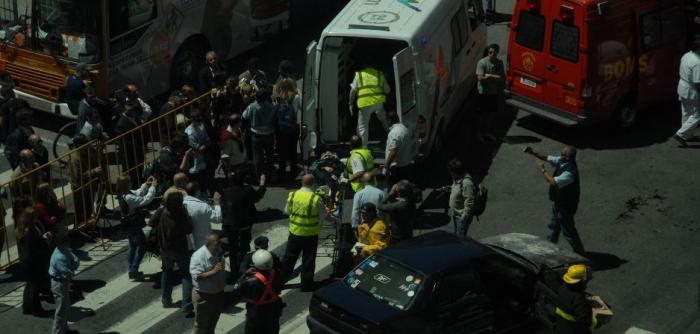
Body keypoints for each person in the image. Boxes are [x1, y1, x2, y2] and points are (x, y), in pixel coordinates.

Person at [525, 145, 585, 255]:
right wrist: (532, 152)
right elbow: (547, 157)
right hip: (559, 203)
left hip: (566, 207)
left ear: (568, 157)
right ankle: (549, 251)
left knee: (569, 232)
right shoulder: (563, 161)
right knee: (554, 227)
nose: (560, 156)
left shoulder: (570, 172)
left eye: (563, 154)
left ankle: (580, 254)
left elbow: (553, 182)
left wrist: (543, 170)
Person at [280, 174, 325, 292]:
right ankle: (306, 285)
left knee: (289, 259)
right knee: (308, 260)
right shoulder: (316, 198)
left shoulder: (293, 195)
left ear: (302, 183)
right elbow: (323, 216)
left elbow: (286, 211)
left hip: (295, 233)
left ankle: (280, 282)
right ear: (313, 183)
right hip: (310, 235)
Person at [220, 173, 266, 281]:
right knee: (244, 246)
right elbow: (258, 196)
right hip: (245, 223)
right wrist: (262, 183)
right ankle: (243, 269)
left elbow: (223, 207)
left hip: (231, 225)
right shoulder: (248, 189)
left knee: (233, 249)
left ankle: (234, 273)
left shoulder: (226, 191)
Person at [156, 191, 194, 316]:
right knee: (186, 274)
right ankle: (186, 304)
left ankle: (166, 300)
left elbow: (151, 222)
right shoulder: (181, 214)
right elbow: (189, 229)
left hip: (165, 248)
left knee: (167, 271)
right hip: (180, 249)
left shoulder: (163, 211)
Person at [116, 174, 157, 280]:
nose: (131, 183)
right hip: (133, 225)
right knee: (143, 246)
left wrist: (146, 185)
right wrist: (153, 187)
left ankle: (131, 269)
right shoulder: (128, 197)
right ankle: (134, 270)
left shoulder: (123, 194)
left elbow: (137, 193)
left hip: (128, 225)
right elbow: (145, 200)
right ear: (127, 184)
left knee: (133, 246)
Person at [235, 249, 284, 334]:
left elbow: (239, 288)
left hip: (256, 312)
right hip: (273, 309)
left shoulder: (250, 281)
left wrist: (246, 274)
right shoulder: (277, 275)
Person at [17, 207, 53, 317]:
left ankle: (27, 307)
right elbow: (35, 247)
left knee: (30, 285)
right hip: (33, 262)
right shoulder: (30, 232)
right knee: (35, 287)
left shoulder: (23, 228)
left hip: (26, 261)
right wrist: (45, 240)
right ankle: (37, 310)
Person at [190, 232, 228, 334]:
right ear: (210, 244)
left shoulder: (218, 252)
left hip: (218, 293)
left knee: (212, 323)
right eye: (217, 244)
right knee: (201, 325)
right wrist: (213, 271)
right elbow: (197, 276)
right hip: (204, 295)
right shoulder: (198, 256)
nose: (219, 247)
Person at [348, 60, 390, 145]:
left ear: (363, 66)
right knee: (384, 120)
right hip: (378, 103)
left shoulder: (359, 75)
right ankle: (391, 134)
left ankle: (363, 148)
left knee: (363, 128)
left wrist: (350, 104)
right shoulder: (379, 74)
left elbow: (353, 91)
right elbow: (387, 90)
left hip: (365, 104)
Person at [48, 231, 80, 334]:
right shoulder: (59, 257)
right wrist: (73, 269)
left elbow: (75, 259)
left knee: (65, 307)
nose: (69, 243)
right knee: (61, 310)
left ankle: (64, 330)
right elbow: (67, 273)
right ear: (61, 243)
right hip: (59, 283)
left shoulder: (64, 250)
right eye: (67, 241)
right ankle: (56, 332)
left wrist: (73, 266)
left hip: (63, 281)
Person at [243, 86, 276, 178]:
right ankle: (270, 174)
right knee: (270, 155)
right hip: (269, 134)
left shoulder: (252, 106)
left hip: (256, 134)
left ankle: (259, 176)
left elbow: (244, 116)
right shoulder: (271, 106)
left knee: (257, 157)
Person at [475, 43, 506, 142]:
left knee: (490, 114)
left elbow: (501, 78)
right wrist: (493, 77)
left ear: (497, 52)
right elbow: (480, 79)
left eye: (493, 52)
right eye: (489, 52)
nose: (491, 54)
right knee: (482, 115)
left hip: (493, 92)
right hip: (483, 93)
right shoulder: (482, 63)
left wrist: (489, 76)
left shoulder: (499, 63)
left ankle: (487, 132)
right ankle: (479, 133)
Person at [555, 264, 596, 334]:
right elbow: (584, 322)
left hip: (561, 327)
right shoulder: (579, 299)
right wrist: (597, 321)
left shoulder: (563, 288)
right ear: (582, 281)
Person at [674, 40, 700, 147]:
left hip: (682, 86)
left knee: (686, 113)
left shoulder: (687, 55)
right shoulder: (698, 62)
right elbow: (698, 82)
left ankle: (687, 135)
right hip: (692, 90)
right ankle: (681, 134)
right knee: (698, 114)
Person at [275, 78, 301, 181]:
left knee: (281, 152)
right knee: (292, 152)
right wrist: (298, 91)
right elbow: (300, 107)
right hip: (292, 128)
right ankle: (293, 172)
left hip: (281, 129)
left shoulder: (278, 98)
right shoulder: (296, 97)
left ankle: (282, 172)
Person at [183, 182, 222, 249]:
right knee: (218, 226)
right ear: (197, 191)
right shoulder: (203, 206)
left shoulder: (182, 204)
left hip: (187, 245)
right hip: (202, 245)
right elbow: (217, 220)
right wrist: (217, 203)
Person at [115, 102, 145, 183]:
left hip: (140, 150)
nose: (133, 111)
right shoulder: (121, 124)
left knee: (141, 170)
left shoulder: (136, 118)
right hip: (131, 155)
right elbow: (126, 143)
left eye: (134, 109)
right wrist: (139, 148)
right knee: (135, 174)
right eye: (131, 110)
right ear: (124, 110)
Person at [379, 180, 416, 244]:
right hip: (408, 232)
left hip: (397, 235)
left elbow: (380, 206)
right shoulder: (411, 201)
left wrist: (391, 192)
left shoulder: (398, 205)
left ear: (399, 193)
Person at [185, 109, 211, 195]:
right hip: (194, 166)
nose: (199, 122)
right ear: (192, 119)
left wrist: (203, 146)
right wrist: (204, 145)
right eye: (197, 120)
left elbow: (207, 141)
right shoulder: (189, 133)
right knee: (196, 186)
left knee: (205, 184)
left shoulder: (201, 126)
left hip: (203, 161)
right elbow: (198, 149)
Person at [447, 158, 476, 237]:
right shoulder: (457, 179)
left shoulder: (466, 183)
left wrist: (464, 217)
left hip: (461, 218)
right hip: (456, 215)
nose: (450, 174)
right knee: (457, 236)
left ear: (455, 172)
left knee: (460, 239)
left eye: (451, 172)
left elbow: (469, 200)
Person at [384, 111, 412, 186]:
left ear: (389, 120)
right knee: (405, 186)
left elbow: (393, 152)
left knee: (395, 188)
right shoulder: (404, 128)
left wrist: (386, 166)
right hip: (406, 163)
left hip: (398, 167)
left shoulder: (394, 133)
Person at [220, 114, 249, 179]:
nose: (241, 124)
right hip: (233, 167)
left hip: (242, 164)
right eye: (240, 122)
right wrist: (229, 172)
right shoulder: (227, 137)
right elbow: (224, 157)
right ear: (237, 124)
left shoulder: (238, 130)